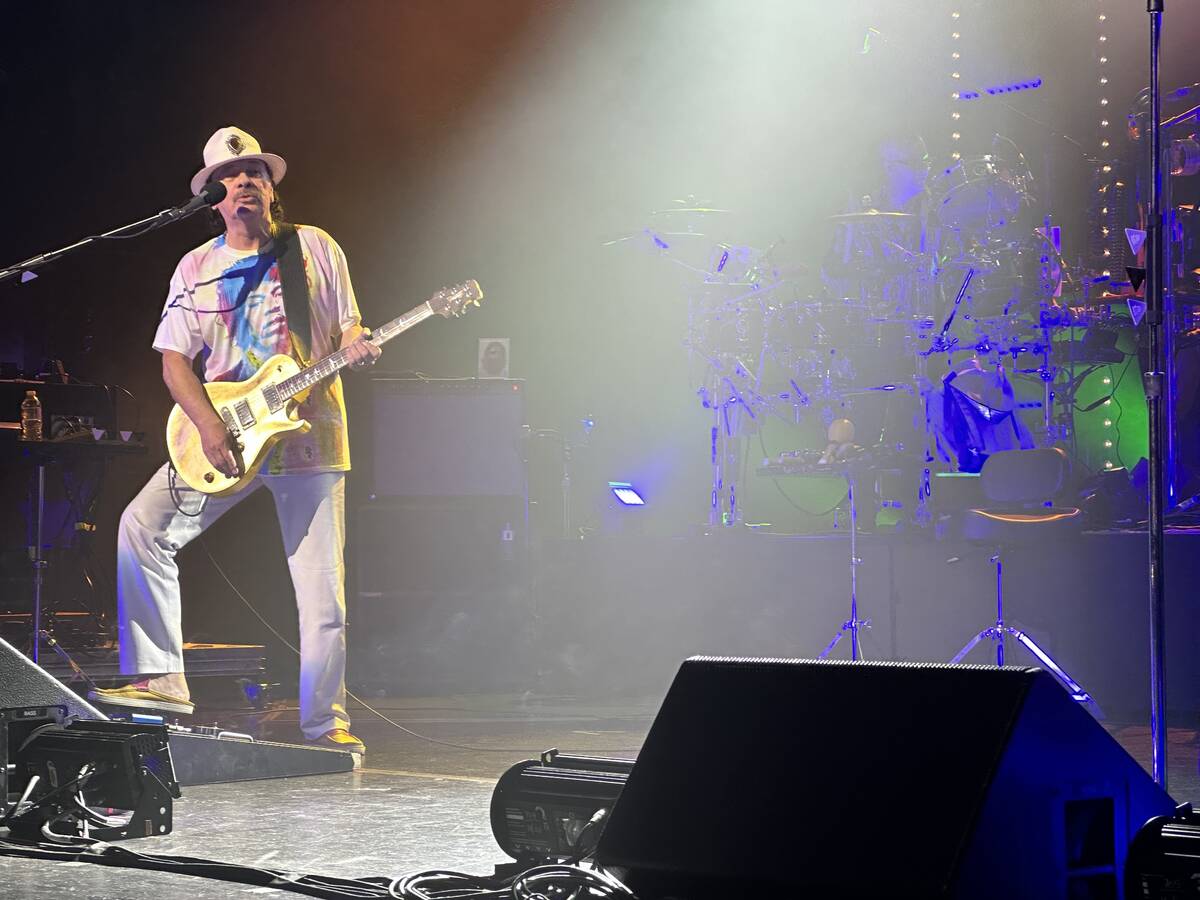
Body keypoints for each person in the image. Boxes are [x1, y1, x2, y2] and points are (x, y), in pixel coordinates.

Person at [90, 126, 379, 757]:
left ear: (272, 190)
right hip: (227, 435)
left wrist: (355, 343)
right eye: (232, 175)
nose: (245, 180)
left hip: (310, 439)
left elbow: (349, 320)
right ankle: (163, 681)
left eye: (256, 172)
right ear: (214, 196)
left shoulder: (313, 249)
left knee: (321, 591)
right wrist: (209, 425)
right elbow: (173, 360)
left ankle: (323, 723)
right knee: (142, 527)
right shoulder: (196, 265)